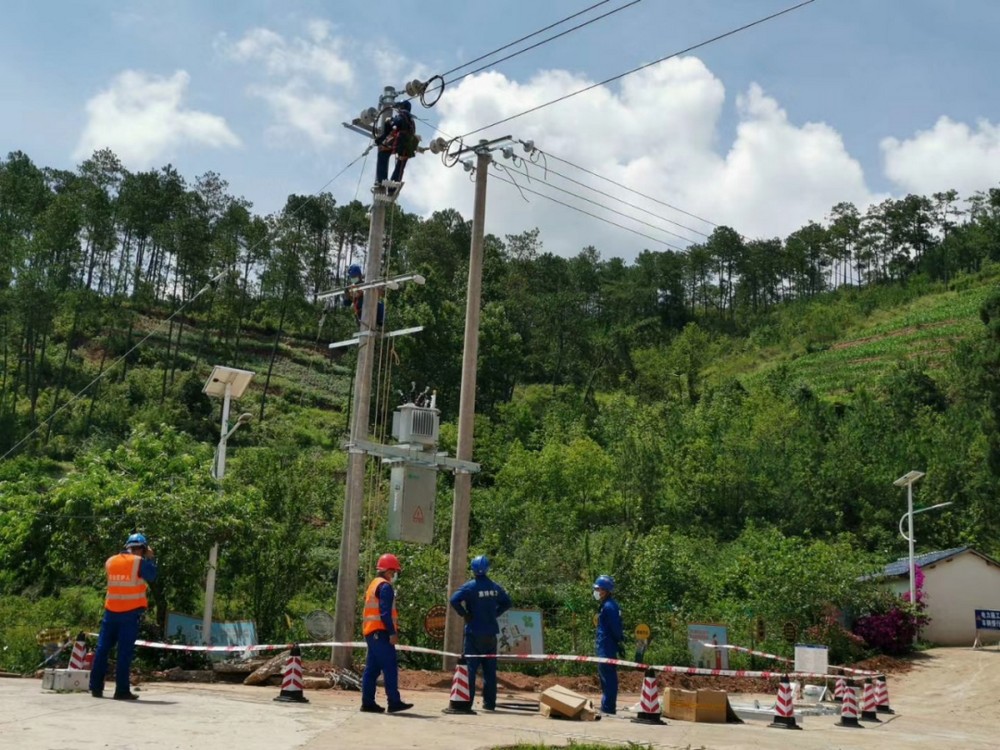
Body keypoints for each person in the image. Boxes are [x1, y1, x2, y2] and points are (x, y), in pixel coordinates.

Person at [89, 533, 158, 700]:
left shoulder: (110, 561)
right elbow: (152, 575)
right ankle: (121, 690)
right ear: (142, 548)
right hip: (129, 614)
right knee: (124, 653)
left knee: (102, 650)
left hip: (110, 612)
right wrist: (151, 558)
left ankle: (96, 687)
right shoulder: (139, 562)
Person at [449, 555, 512, 711]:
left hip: (474, 634)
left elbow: (453, 600)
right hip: (491, 634)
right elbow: (508, 602)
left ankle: (467, 703)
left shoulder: (470, 587)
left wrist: (464, 614)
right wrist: (495, 614)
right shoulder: (494, 587)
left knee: (470, 670)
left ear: (473, 568)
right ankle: (489, 704)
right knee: (490, 671)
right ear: (487, 568)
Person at [360, 553, 413, 713]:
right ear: (389, 571)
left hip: (371, 632)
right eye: (394, 571)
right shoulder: (385, 587)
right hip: (381, 632)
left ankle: (368, 703)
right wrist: (392, 633)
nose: (395, 574)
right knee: (389, 667)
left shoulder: (374, 584)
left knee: (372, 670)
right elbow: (384, 613)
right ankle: (394, 702)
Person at [593, 574, 625, 715]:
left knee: (609, 677)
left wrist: (619, 641)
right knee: (604, 677)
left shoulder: (610, 607)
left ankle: (608, 707)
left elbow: (615, 627)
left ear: (605, 590)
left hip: (607, 647)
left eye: (598, 589)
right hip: (603, 646)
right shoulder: (605, 606)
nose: (596, 592)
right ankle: (606, 705)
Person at [374, 100, 417, 192]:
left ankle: (381, 180)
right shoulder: (412, 121)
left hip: (400, 140)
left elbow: (395, 124)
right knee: (401, 164)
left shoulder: (403, 114)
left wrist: (388, 122)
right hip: (409, 145)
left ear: (402, 107)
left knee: (383, 153)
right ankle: (392, 187)